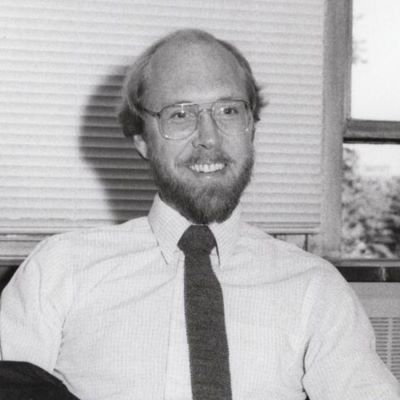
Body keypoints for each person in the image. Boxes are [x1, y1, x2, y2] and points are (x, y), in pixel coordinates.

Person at [0, 29, 399, 400]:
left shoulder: (316, 288)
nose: (208, 138)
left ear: (251, 127)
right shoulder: (59, 270)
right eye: (179, 114)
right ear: (141, 138)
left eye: (228, 111)